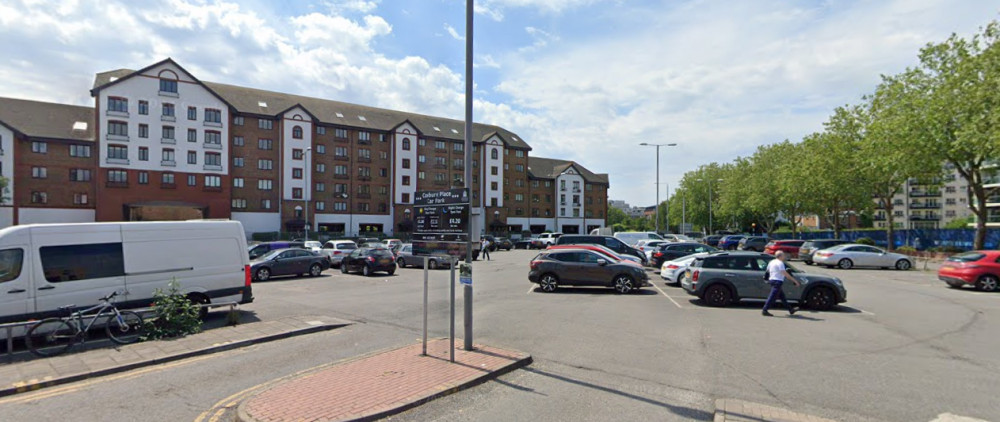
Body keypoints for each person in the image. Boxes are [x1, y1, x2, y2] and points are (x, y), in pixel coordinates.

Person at [762, 250, 800, 317]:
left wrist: (766, 278)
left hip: (772, 280)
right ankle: (765, 310)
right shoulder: (780, 263)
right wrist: (794, 281)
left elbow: (767, 271)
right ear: (780, 256)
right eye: (783, 255)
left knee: (782, 297)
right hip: (777, 281)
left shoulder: (772, 262)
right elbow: (784, 273)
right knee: (772, 296)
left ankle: (791, 310)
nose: (784, 256)